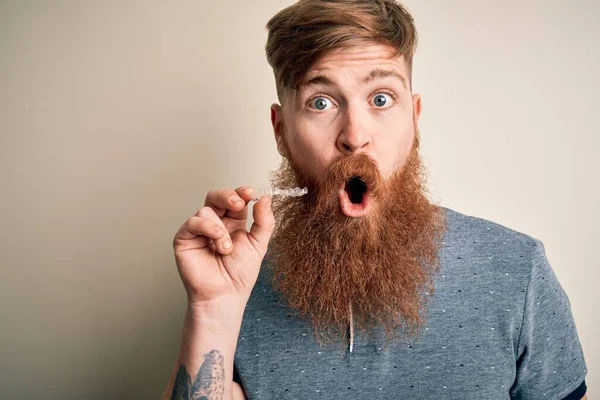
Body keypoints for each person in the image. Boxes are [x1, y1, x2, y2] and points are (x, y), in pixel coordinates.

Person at [162, 1, 588, 399]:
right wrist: (214, 308)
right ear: (281, 131)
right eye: (321, 102)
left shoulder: (516, 270)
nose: (355, 136)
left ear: (414, 119)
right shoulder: (238, 279)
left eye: (381, 99)